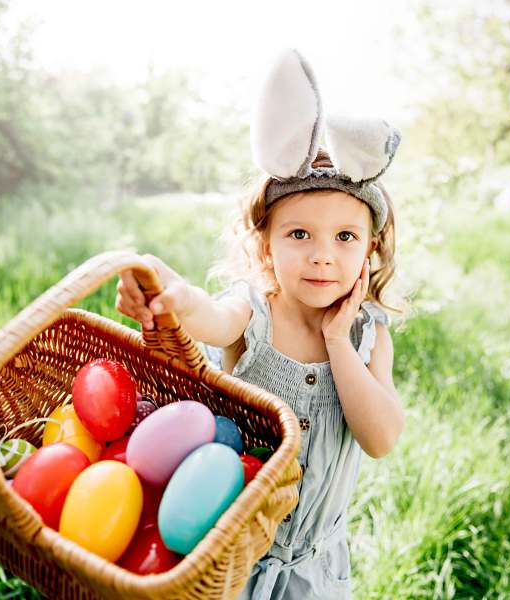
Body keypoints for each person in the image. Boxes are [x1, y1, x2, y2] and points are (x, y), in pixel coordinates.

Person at [115, 48, 406, 599]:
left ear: (370, 249)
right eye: (300, 235)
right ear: (267, 247)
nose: (323, 255)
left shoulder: (369, 336)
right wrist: (174, 295)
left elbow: (382, 437)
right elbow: (210, 317)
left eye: (344, 237)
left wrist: (338, 343)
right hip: (229, 560)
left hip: (315, 569)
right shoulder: (255, 309)